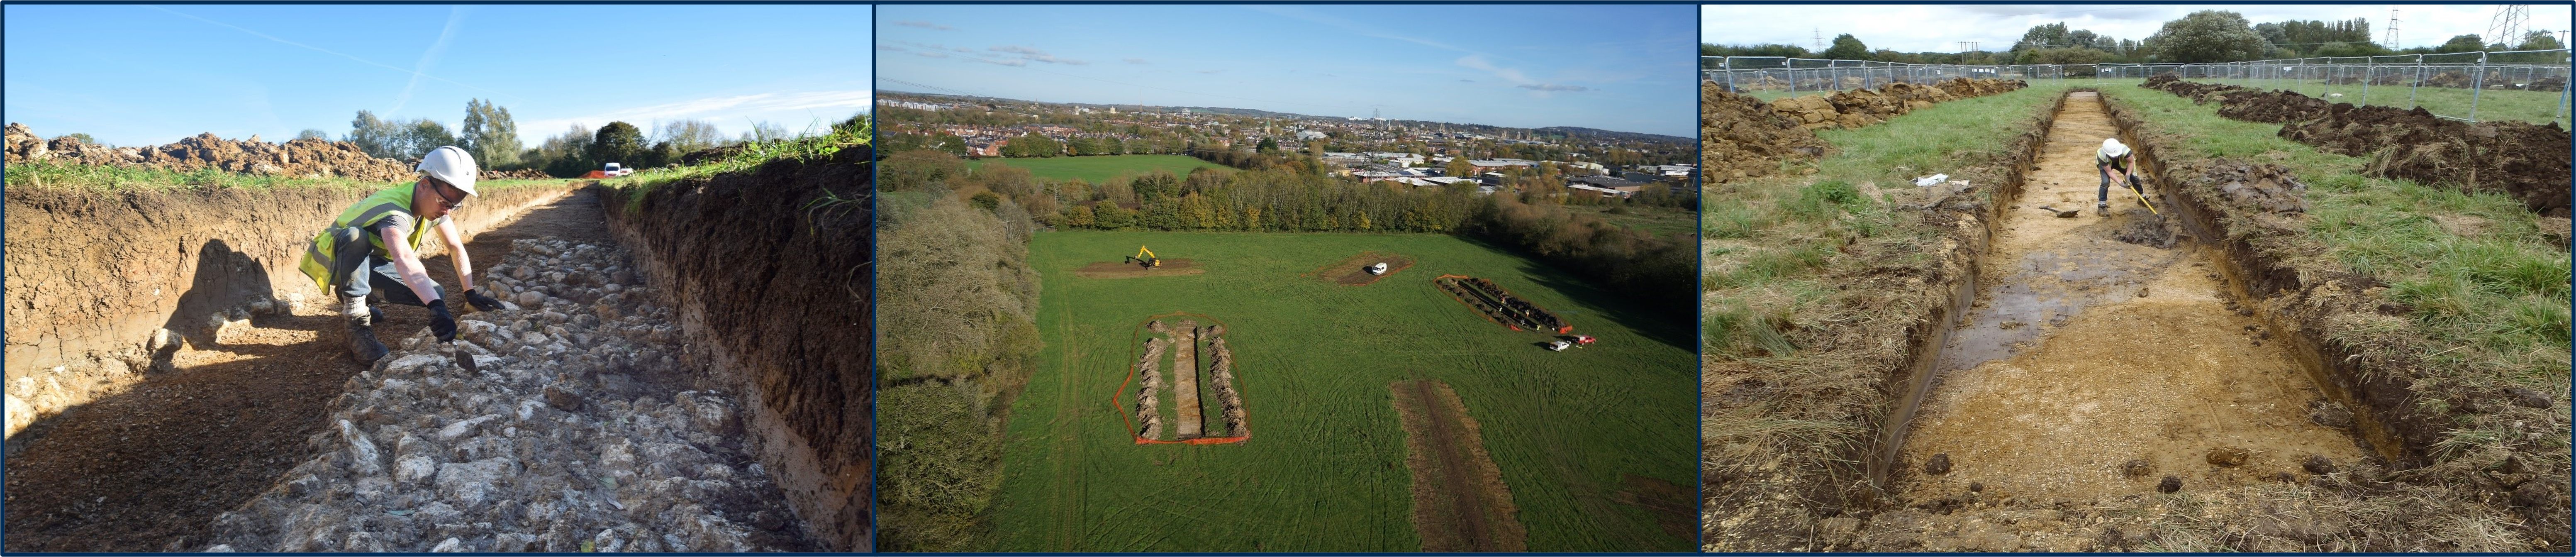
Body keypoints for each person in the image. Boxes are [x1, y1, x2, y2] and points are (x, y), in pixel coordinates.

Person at [295, 146, 505, 361]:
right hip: (339, 261)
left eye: (454, 206)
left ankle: (359, 295)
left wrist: (470, 293)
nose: (447, 211)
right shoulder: (395, 211)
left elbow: (455, 247)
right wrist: (437, 308)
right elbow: (404, 258)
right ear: (425, 185)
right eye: (445, 203)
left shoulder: (430, 202)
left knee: (435, 293)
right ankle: (357, 323)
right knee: (356, 237)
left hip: (370, 263)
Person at [2096, 138, 2142, 216]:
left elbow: (2131, 162)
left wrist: (2128, 176)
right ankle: (2102, 205)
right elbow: (2110, 172)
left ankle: (2142, 198)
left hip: (2121, 163)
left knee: (2135, 178)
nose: (2116, 157)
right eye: (2113, 156)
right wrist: (2121, 184)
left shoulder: (2125, 151)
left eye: (2117, 155)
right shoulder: (2101, 155)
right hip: (2107, 164)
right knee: (2105, 182)